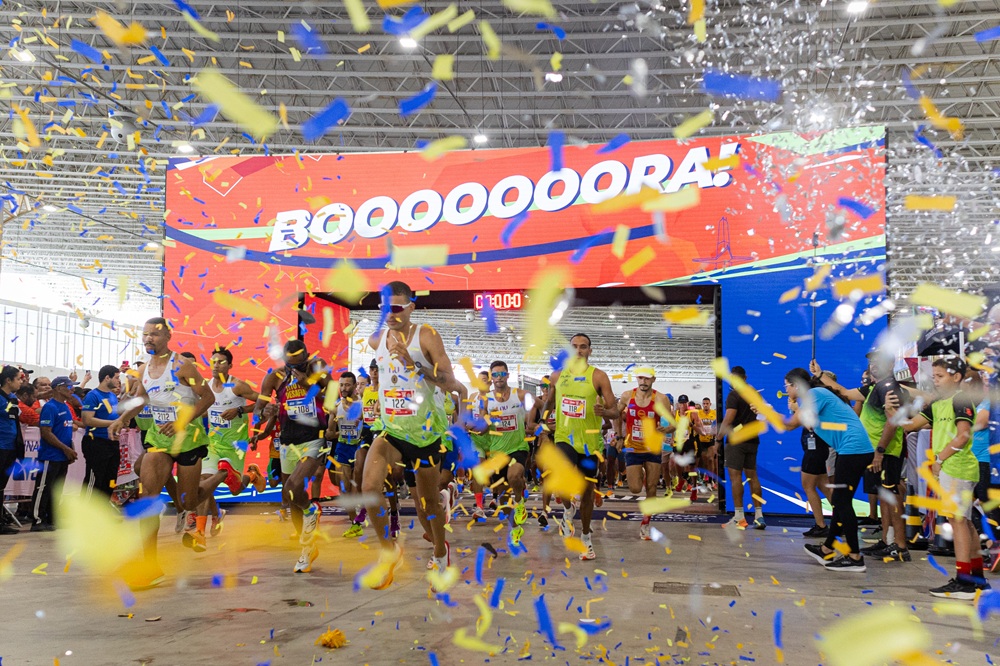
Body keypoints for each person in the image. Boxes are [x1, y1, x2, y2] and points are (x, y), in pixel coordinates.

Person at [358, 281, 466, 591]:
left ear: (410, 308)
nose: (388, 314)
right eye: (383, 308)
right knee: (369, 487)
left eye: (395, 308)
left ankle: (441, 553)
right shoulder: (376, 339)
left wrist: (413, 363)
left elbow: (449, 383)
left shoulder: (426, 335)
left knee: (428, 507)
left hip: (425, 436)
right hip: (392, 431)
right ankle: (388, 551)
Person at [108, 317, 217, 589]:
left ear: (167, 336)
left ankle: (220, 478)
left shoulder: (181, 365)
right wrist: (122, 419)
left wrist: (182, 421)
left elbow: (207, 398)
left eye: (154, 335)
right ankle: (150, 566)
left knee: (189, 500)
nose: (148, 339)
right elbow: (141, 399)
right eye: (145, 335)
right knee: (148, 498)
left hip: (188, 438)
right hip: (158, 437)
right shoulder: (144, 368)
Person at [900, 356, 988, 598]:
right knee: (965, 522)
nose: (935, 381)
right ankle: (976, 578)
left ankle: (964, 582)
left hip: (957, 467)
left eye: (940, 376)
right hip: (950, 468)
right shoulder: (939, 403)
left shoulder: (961, 401)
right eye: (934, 376)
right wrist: (891, 411)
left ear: (956, 377)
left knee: (958, 522)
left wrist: (939, 460)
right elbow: (910, 425)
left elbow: (963, 436)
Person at [812, 353, 909, 562]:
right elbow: (844, 391)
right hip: (874, 451)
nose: (874, 365)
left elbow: (892, 422)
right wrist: (820, 373)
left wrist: (880, 451)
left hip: (886, 452)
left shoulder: (889, 388)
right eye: (871, 362)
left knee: (892, 497)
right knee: (882, 497)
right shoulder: (875, 388)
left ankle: (900, 545)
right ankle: (887, 540)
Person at [253, 339, 331, 574]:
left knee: (296, 485)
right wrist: (264, 412)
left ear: (307, 356)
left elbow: (331, 394)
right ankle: (306, 546)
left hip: (315, 438)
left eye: (299, 363)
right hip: (288, 440)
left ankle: (311, 510)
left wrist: (304, 381)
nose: (294, 369)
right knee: (290, 494)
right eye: (290, 365)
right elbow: (259, 408)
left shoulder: (318, 368)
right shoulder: (275, 377)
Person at [784, 368, 873, 572]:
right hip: (852, 450)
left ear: (796, 385)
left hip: (853, 450)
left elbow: (791, 425)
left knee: (841, 502)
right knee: (841, 503)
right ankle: (827, 549)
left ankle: (855, 557)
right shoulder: (817, 395)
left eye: (786, 385)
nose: (786, 390)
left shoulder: (815, 394)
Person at [546, 333, 618, 561]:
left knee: (587, 492)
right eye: (575, 347)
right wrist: (543, 420)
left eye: (583, 347)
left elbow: (615, 410)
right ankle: (568, 508)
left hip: (590, 444)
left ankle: (586, 537)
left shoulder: (598, 376)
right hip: (564, 437)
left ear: (590, 351)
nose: (579, 350)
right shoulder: (557, 376)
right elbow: (548, 401)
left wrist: (605, 412)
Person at [186, 347, 262, 550]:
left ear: (229, 365)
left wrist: (239, 409)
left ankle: (252, 475)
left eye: (220, 362)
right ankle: (201, 532)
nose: (216, 365)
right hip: (213, 443)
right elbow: (205, 412)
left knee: (235, 489)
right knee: (204, 481)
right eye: (213, 361)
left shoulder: (237, 386)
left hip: (235, 445)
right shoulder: (207, 387)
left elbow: (262, 401)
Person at [615, 368, 672, 540]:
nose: (643, 382)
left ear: (653, 380)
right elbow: (615, 415)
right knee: (635, 488)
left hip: (653, 448)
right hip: (632, 448)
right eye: (640, 378)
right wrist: (618, 436)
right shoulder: (627, 396)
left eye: (647, 379)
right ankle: (641, 476)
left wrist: (666, 429)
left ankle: (646, 524)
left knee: (652, 488)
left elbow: (673, 423)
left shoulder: (661, 398)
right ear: (636, 379)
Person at [480, 360, 531, 546]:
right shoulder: (486, 399)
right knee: (502, 498)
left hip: (518, 447)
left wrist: (535, 422)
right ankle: (516, 527)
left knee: (514, 475)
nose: (499, 378)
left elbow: (541, 403)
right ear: (491, 377)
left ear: (508, 375)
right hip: (496, 453)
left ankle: (520, 502)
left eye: (502, 374)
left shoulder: (520, 394)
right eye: (495, 374)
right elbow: (482, 424)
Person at [715, 367, 765, 529]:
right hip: (753, 440)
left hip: (737, 442)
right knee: (753, 477)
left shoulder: (734, 395)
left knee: (736, 478)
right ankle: (759, 516)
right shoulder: (755, 393)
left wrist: (718, 439)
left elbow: (728, 419)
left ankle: (739, 517)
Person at [32, 376, 79, 531]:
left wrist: (69, 449)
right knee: (43, 487)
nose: (72, 389)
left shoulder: (65, 406)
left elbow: (65, 431)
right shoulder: (50, 407)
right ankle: (37, 520)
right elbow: (46, 432)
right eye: (69, 386)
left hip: (62, 456)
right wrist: (65, 448)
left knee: (56, 489)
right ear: (58, 388)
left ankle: (51, 518)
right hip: (50, 456)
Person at [331, 371, 367, 538]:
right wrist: (340, 433)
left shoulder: (363, 406)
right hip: (343, 448)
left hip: (359, 448)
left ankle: (363, 509)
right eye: (341, 385)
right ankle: (355, 524)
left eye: (347, 385)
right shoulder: (335, 407)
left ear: (354, 386)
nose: (343, 388)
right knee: (344, 488)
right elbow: (329, 433)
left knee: (356, 488)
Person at [80, 365, 122, 500]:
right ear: (107, 378)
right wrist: (113, 423)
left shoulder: (112, 396)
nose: (118, 381)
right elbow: (87, 419)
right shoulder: (93, 396)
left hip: (112, 442)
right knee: (94, 480)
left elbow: (113, 417)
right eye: (116, 377)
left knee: (110, 480)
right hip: (96, 442)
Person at [525, 375, 554, 527]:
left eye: (548, 385)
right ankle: (545, 512)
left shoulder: (561, 400)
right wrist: (543, 430)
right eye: (542, 385)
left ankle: (570, 504)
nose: (545, 388)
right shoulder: (537, 403)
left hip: (564, 440)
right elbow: (529, 425)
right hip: (544, 441)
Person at [0, 366, 24, 535]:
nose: (20, 382)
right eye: (18, 379)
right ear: (8, 380)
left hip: (10, 447)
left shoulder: (12, 398)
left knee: (1, 486)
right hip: (1, 446)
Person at [674, 395, 707, 502]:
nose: (683, 405)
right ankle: (680, 480)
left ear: (688, 403)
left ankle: (694, 488)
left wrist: (692, 425)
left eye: (685, 403)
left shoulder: (693, 414)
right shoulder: (675, 413)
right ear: (678, 404)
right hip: (678, 441)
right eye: (681, 403)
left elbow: (702, 431)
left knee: (692, 467)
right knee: (676, 462)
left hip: (690, 441)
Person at [697, 397, 718, 492]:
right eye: (704, 403)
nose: (705, 405)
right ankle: (701, 479)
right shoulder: (698, 414)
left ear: (710, 404)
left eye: (707, 403)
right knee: (702, 460)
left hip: (711, 440)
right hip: (701, 440)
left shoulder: (714, 413)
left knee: (710, 459)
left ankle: (710, 480)